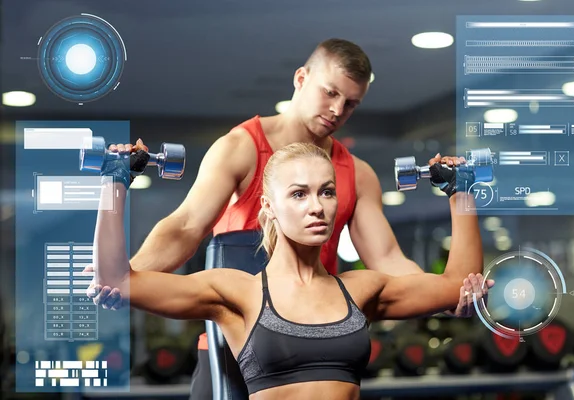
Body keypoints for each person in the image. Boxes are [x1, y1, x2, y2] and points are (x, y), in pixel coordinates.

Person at [88, 38, 493, 399]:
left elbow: (388, 259)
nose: (337, 110)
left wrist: (445, 297)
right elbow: (186, 227)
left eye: (351, 103)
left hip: (324, 323)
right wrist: (125, 278)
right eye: (330, 93)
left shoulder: (358, 174)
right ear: (301, 78)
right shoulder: (242, 147)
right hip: (240, 332)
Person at [93, 142, 487, 400]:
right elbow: (118, 280)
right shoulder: (236, 293)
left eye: (327, 191)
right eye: (298, 194)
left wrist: (461, 191)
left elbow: (457, 286)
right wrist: (115, 179)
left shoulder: (362, 289)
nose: (317, 206)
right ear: (268, 206)